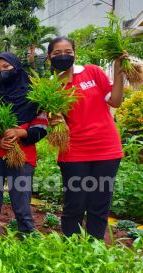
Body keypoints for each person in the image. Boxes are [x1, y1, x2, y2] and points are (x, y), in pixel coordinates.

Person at [47, 36, 125, 240]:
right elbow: (52, 120)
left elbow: (115, 101)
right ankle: (71, 249)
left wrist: (119, 73)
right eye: (57, 53)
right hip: (73, 151)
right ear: (49, 57)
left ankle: (94, 248)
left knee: (100, 203)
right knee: (75, 203)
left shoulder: (91, 71)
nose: (63, 56)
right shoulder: (50, 88)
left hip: (106, 148)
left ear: (75, 54)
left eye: (68, 52)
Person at [0, 52, 48, 236]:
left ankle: (28, 239)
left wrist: (21, 132)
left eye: (6, 67)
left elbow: (42, 127)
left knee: (22, 203)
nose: (2, 72)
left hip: (22, 155)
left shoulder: (34, 97)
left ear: (17, 68)